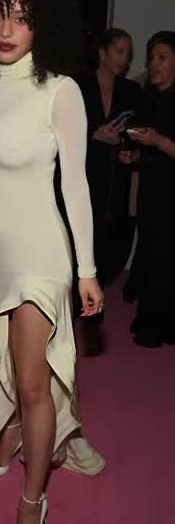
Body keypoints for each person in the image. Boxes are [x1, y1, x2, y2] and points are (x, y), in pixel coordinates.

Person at [0, 0, 104, 524]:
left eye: (21, 18)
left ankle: (33, 498)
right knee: (13, 365)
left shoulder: (60, 90)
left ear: (44, 24)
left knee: (33, 381)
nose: (6, 30)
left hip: (40, 254)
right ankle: (17, 429)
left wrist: (87, 270)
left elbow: (76, 185)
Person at [74, 28, 144, 355]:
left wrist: (129, 147)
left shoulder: (131, 90)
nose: (124, 59)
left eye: (128, 54)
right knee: (78, 244)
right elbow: (59, 130)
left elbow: (138, 132)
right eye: (118, 51)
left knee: (111, 249)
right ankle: (81, 305)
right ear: (102, 52)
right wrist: (93, 135)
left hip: (115, 179)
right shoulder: (77, 85)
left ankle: (93, 296)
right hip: (80, 176)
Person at [120, 31, 175, 347]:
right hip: (152, 190)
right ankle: (152, 318)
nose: (154, 63)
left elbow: (162, 144)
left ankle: (160, 325)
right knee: (153, 254)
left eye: (162, 57)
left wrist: (159, 141)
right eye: (151, 57)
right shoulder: (149, 99)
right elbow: (145, 150)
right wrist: (133, 155)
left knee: (167, 258)